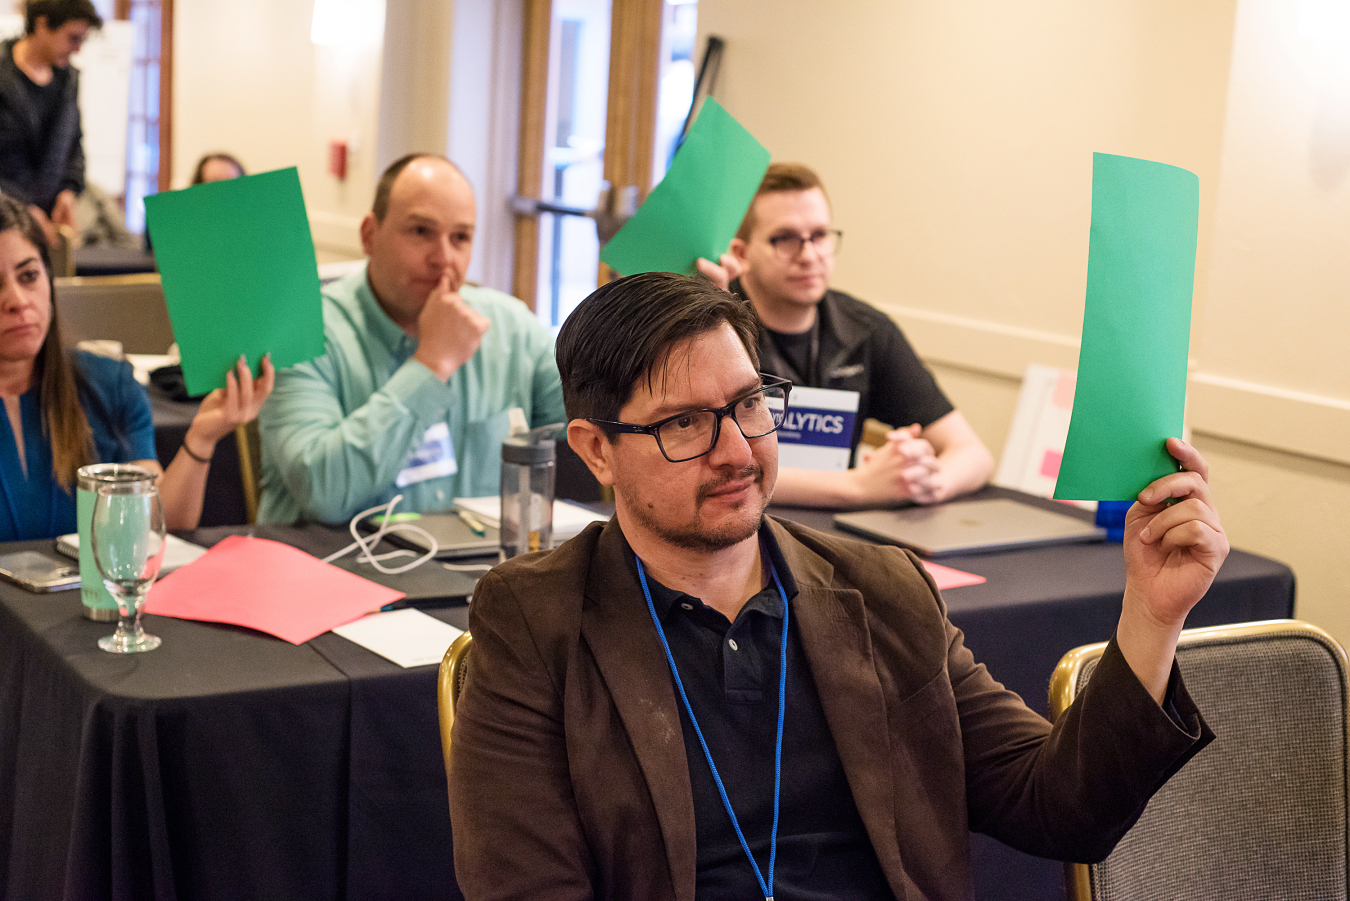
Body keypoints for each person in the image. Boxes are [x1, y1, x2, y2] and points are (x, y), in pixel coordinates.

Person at [449, 271, 1227, 901]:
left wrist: (1153, 615)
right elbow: (526, 884)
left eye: (750, 404)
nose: (735, 450)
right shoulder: (538, 619)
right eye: (684, 424)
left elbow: (1060, 805)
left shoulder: (881, 589)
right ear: (596, 449)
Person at [258, 153, 566, 523]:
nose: (443, 258)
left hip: (478, 575)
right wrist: (433, 363)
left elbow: (595, 420)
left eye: (460, 238)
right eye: (421, 232)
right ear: (369, 235)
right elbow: (323, 492)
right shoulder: (301, 334)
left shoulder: (510, 327)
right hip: (335, 569)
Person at [0, 193, 273, 540]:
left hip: (90, 595)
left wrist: (202, 438)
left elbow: (157, 524)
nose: (18, 301)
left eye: (28, 276)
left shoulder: (110, 385)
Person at [726, 162, 994, 507]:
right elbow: (727, 473)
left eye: (819, 235)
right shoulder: (712, 331)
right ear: (742, 254)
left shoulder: (866, 330)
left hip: (835, 533)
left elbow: (973, 453)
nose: (809, 256)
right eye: (786, 240)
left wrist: (924, 481)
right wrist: (858, 487)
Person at [0, 0, 102, 248]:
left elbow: (74, 145)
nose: (77, 49)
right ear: (42, 25)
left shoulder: (68, 80)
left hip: (49, 227)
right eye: (73, 38)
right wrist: (22, 209)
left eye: (82, 40)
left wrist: (68, 191)